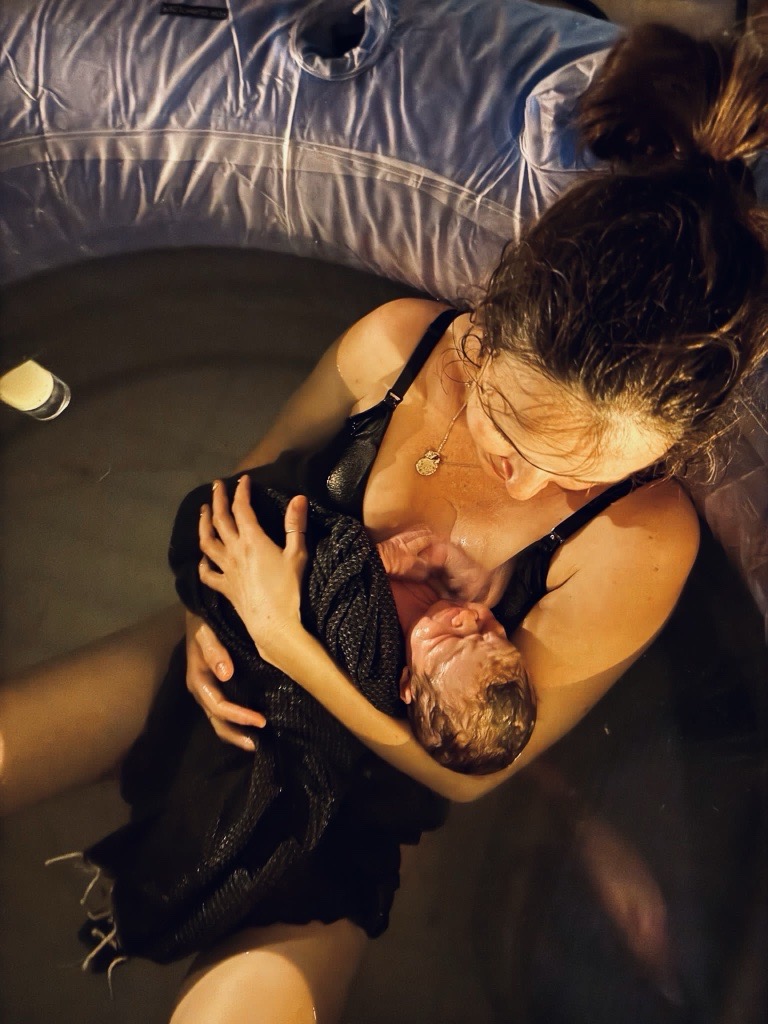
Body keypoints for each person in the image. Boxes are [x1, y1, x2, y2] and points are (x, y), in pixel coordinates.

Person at [1, 19, 767, 1024]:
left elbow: (462, 775)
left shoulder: (641, 540)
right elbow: (245, 492)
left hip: (344, 806)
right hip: (208, 667)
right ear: (484, 332)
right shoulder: (394, 351)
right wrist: (213, 616)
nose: (528, 487)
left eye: (577, 475)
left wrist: (294, 640)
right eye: (504, 433)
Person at [75, 474, 532, 969]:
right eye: (491, 632)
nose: (471, 621)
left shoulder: (375, 654)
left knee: (229, 824)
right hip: (239, 626)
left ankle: (145, 909)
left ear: (405, 687)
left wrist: (371, 560)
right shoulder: (437, 607)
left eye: (449, 644)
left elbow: (327, 598)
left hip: (278, 702)